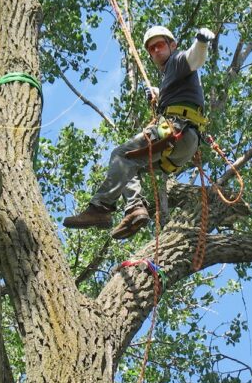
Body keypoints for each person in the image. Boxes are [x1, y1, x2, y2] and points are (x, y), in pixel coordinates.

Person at [63, 25, 215, 239]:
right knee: (130, 166)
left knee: (121, 156)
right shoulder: (172, 75)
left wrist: (201, 41)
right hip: (185, 141)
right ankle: (135, 210)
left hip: (176, 130)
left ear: (173, 45)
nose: (155, 51)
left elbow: (194, 58)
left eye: (160, 45)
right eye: (151, 49)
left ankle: (101, 208)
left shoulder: (177, 60)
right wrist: (159, 94)